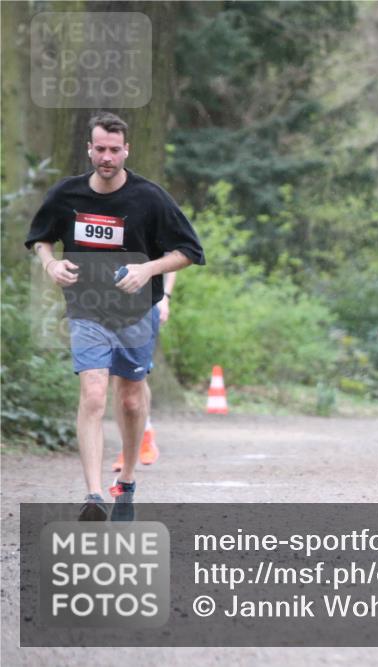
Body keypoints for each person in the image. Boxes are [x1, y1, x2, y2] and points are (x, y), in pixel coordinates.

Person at [25, 111, 205, 521]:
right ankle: (93, 494)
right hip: (87, 309)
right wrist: (50, 265)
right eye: (100, 149)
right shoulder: (67, 195)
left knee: (129, 399)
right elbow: (40, 240)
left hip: (135, 312)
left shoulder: (150, 197)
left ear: (127, 150)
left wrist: (147, 269)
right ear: (89, 149)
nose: (107, 157)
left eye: (114, 150)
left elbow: (189, 252)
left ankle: (125, 481)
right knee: (92, 394)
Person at [110, 270, 174, 472]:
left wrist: (165, 297)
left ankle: (145, 435)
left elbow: (172, 256)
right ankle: (127, 446)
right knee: (118, 379)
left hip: (146, 304)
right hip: (109, 304)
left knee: (137, 378)